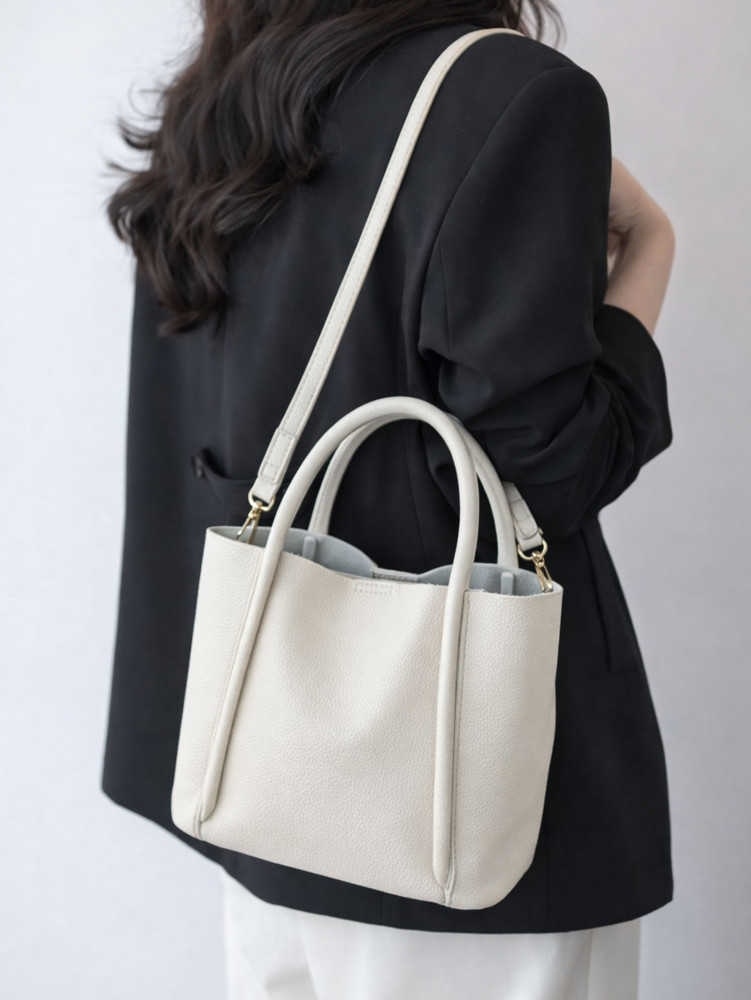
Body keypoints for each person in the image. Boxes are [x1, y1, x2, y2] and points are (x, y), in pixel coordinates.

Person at [102, 2, 676, 998]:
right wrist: (653, 244)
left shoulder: (231, 88)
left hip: (259, 772)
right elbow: (552, 470)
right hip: (456, 811)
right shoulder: (510, 95)